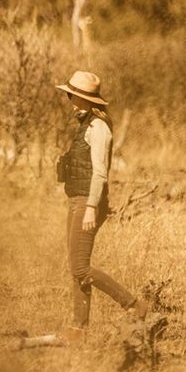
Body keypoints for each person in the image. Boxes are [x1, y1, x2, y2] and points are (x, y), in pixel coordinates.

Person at [53, 71, 149, 342]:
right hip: (78, 200)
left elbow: (100, 173)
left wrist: (92, 207)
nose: (70, 100)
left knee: (81, 268)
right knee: (77, 268)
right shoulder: (86, 124)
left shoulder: (99, 128)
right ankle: (79, 328)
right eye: (70, 94)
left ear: (85, 99)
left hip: (88, 201)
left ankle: (133, 305)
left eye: (74, 95)